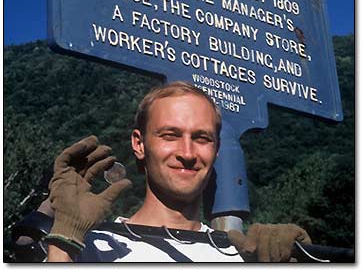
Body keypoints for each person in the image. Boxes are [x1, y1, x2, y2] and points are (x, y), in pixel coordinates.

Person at [17, 81, 311, 262]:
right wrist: (63, 241)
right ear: (139, 144)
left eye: (201, 138)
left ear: (216, 149)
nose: (187, 153)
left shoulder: (239, 255)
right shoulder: (92, 249)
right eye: (170, 135)